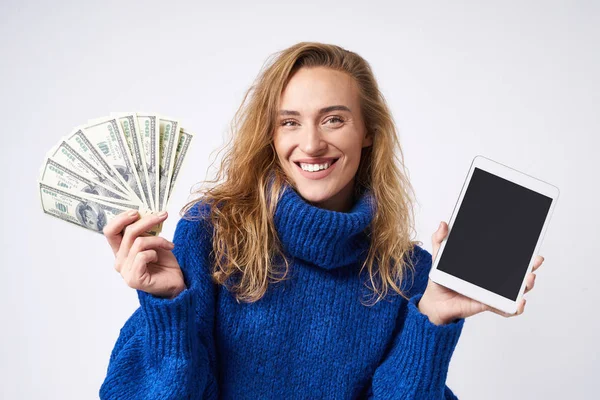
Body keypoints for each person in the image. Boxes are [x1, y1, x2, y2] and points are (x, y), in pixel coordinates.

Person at [99, 42, 544, 399]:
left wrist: (432, 321)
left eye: (333, 119)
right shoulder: (211, 233)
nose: (310, 144)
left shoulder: (407, 273)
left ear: (368, 131)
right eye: (289, 122)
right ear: (271, 137)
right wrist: (169, 307)